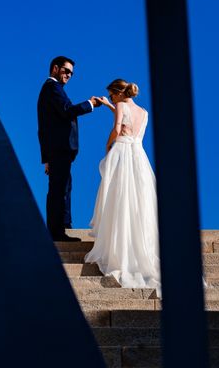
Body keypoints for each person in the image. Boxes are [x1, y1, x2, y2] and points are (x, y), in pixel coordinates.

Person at [84, 79, 161, 294]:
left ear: (118, 93)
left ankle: (118, 248)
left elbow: (118, 128)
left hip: (122, 153)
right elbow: (128, 119)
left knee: (117, 197)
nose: (111, 99)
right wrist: (111, 106)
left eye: (111, 96)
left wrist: (108, 145)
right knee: (137, 200)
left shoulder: (120, 106)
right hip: (138, 156)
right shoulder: (144, 112)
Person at [37, 56, 102, 242]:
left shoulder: (53, 89)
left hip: (57, 152)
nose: (69, 75)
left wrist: (46, 159)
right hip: (59, 149)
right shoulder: (52, 87)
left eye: (71, 74)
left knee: (65, 186)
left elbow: (43, 127)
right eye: (66, 71)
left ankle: (64, 225)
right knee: (58, 189)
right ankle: (57, 232)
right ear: (55, 68)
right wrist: (90, 104)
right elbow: (67, 111)